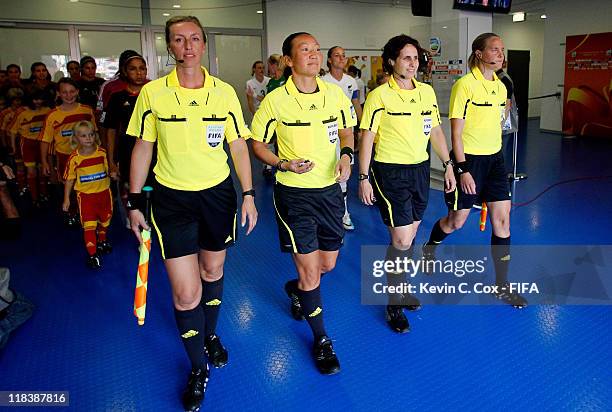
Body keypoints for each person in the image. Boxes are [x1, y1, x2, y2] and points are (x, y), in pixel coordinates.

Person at [126, 16, 257, 412]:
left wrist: (248, 194)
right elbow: (143, 148)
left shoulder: (223, 93)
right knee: (186, 294)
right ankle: (198, 367)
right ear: (170, 47)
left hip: (217, 196)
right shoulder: (153, 93)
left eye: (195, 39)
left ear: (203, 44)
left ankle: (211, 335)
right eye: (179, 40)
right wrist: (134, 201)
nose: (188, 46)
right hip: (171, 201)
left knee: (212, 273)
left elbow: (237, 146)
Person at [251, 32, 356, 375]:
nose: (313, 54)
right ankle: (322, 340)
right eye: (304, 49)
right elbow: (258, 143)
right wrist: (281, 163)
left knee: (327, 265)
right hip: (293, 195)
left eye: (316, 48)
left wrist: (346, 155)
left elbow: (346, 131)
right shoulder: (275, 100)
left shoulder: (335, 95)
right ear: (288, 61)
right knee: (311, 271)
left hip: (329, 192)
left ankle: (294, 289)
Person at [358, 35, 456, 333]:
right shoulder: (379, 96)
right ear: (392, 61)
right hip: (389, 173)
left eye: (415, 58)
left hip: (420, 171)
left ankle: (401, 287)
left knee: (409, 237)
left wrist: (449, 163)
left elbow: (435, 132)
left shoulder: (425, 93)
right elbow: (367, 138)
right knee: (401, 240)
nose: (413, 64)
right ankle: (394, 301)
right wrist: (363, 177)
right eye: (406, 58)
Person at [423, 32, 527, 308]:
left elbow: (501, 126)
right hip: (469, 161)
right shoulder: (464, 86)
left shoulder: (502, 87)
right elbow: (455, 134)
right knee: (456, 221)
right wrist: (463, 169)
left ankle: (502, 285)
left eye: (502, 50)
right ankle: (430, 246)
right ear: (479, 53)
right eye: (494, 49)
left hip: (495, 160)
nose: (500, 54)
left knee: (502, 221)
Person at [40, 77, 97, 226]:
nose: (69, 95)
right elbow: (45, 140)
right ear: (58, 94)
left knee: (87, 185)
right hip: (64, 156)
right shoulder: (52, 115)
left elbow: (95, 133)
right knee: (69, 186)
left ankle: (87, 213)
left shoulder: (87, 110)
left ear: (77, 92)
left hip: (86, 155)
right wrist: (45, 161)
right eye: (64, 92)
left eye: (72, 91)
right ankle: (72, 213)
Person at [104, 52, 150, 224]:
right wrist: (111, 161)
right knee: (130, 187)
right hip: (127, 151)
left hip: (153, 150)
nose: (139, 73)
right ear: (124, 72)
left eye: (142, 69)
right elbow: (110, 131)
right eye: (133, 69)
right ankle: (134, 219)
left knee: (153, 188)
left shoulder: (153, 94)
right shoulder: (117, 97)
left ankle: (151, 221)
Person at [62, 121, 114, 269]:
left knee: (105, 221)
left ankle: (102, 240)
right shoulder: (74, 158)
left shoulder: (103, 152)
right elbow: (70, 179)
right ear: (76, 138)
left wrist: (114, 172)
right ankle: (92, 254)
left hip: (104, 194)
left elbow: (110, 168)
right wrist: (66, 199)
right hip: (85, 197)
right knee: (89, 225)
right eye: (83, 136)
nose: (88, 138)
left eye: (91, 134)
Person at [322, 46, 363, 231]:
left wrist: (362, 127)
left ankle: (344, 213)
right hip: (327, 134)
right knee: (327, 174)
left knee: (344, 174)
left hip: (346, 133)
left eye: (343, 56)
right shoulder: (322, 81)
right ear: (329, 60)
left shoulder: (351, 82)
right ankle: (326, 213)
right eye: (337, 56)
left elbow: (356, 104)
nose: (341, 58)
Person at [7, 89, 52, 207]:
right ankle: (34, 198)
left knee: (43, 171)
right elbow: (12, 131)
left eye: (40, 99)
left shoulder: (48, 110)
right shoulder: (22, 112)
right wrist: (13, 147)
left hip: (42, 143)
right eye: (35, 99)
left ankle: (44, 194)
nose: (38, 102)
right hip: (27, 144)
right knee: (31, 172)